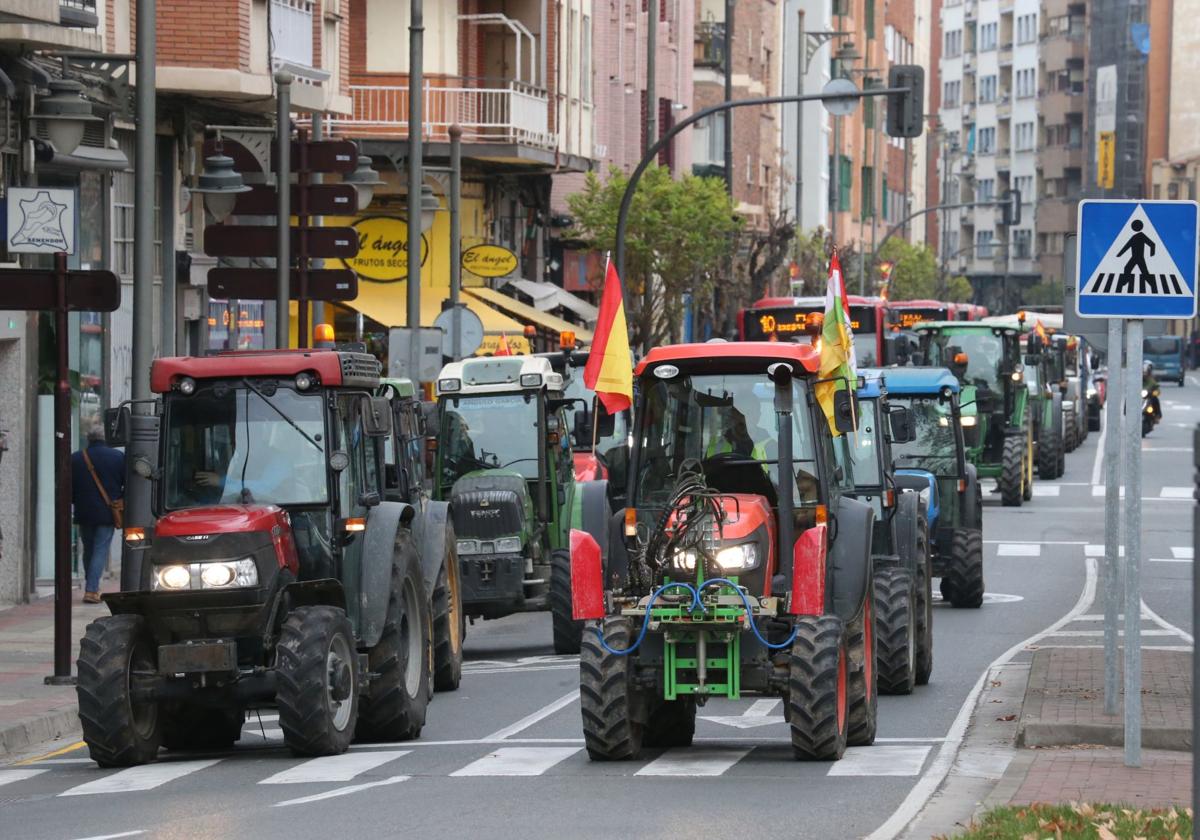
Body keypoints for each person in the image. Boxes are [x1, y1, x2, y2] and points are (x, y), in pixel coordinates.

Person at [71, 423, 125, 604]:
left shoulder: (76, 458)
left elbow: (69, 488)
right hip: (107, 512)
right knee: (100, 550)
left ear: (89, 439)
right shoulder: (118, 457)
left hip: (83, 511)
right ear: (106, 438)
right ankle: (92, 589)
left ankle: (91, 586)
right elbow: (128, 484)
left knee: (89, 549)